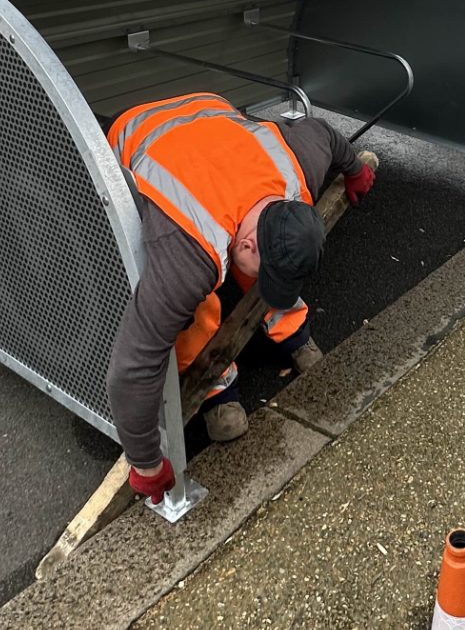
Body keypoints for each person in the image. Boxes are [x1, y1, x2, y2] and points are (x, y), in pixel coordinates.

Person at [102, 92, 374, 501]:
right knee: (191, 309)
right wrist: (146, 463)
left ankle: (291, 332)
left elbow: (327, 135)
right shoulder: (189, 250)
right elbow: (133, 363)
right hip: (137, 131)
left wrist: (354, 171)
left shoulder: (298, 165)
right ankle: (215, 386)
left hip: (205, 106)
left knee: (270, 260)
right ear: (245, 244)